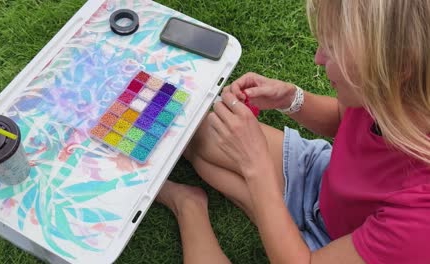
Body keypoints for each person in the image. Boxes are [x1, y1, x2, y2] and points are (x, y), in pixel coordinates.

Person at [156, 0, 430, 263]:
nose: (318, 58)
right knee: (200, 132)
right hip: (324, 182)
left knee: (231, 162)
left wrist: (256, 164)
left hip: (333, 250)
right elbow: (339, 118)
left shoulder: (420, 219)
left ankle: (188, 207)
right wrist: (290, 98)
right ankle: (278, 218)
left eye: (333, 48)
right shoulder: (397, 89)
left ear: (396, 67)